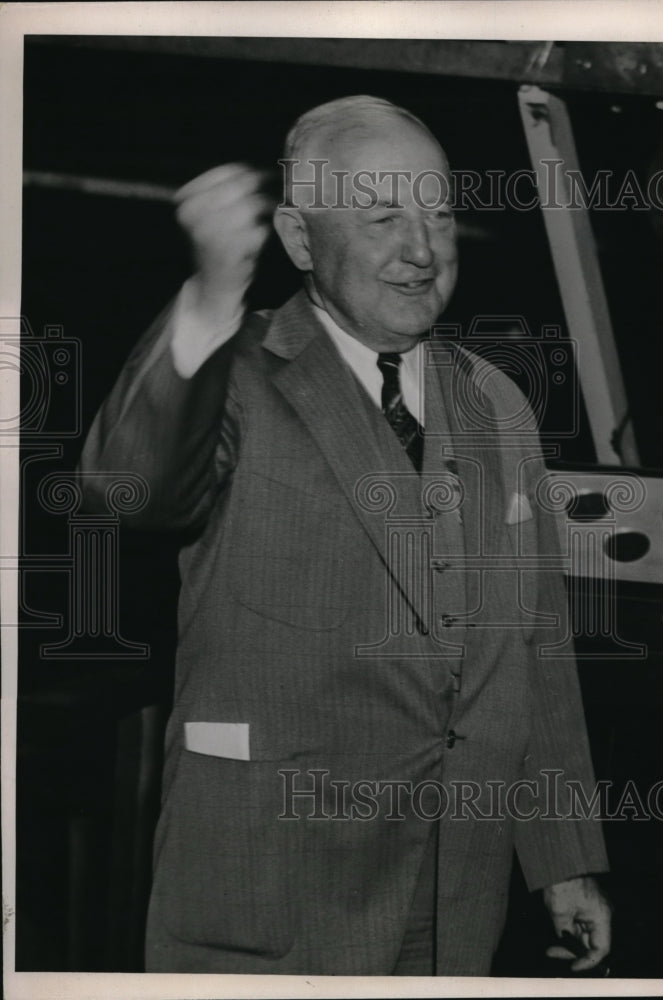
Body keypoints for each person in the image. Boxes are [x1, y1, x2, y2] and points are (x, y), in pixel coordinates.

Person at [79, 95, 611, 976]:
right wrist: (212, 295)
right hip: (268, 888)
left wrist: (562, 862)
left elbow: (536, 648)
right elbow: (123, 489)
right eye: (382, 217)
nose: (421, 250)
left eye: (438, 214)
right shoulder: (238, 377)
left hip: (451, 899)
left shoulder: (496, 402)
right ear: (297, 239)